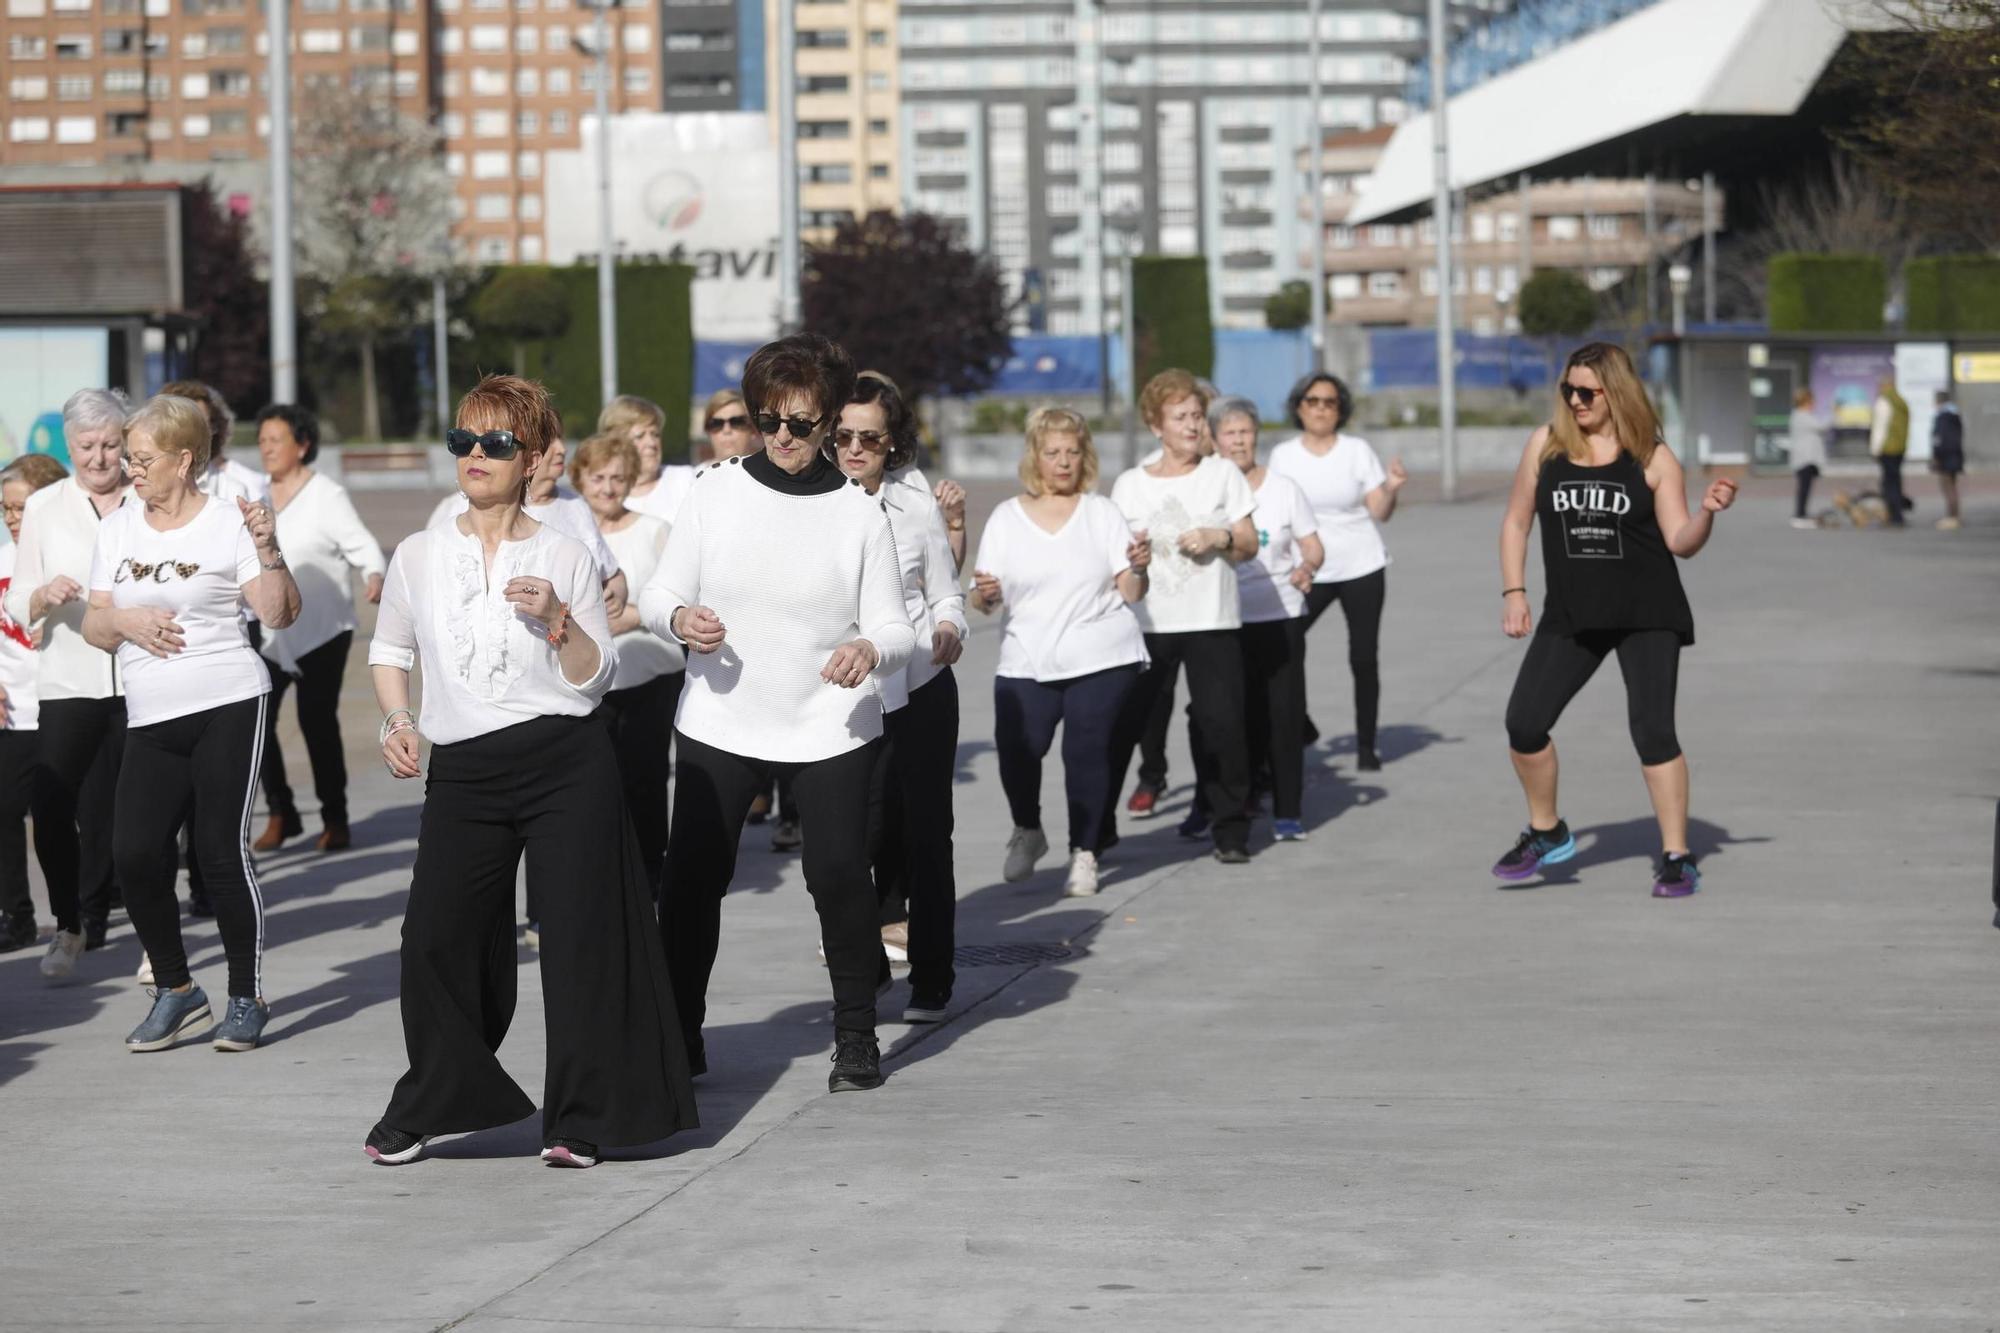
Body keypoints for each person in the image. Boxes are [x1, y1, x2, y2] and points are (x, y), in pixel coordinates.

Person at [365, 374, 694, 1168]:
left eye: (496, 443)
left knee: (582, 944)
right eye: (463, 440)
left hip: (565, 763)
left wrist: (557, 619)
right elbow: (388, 650)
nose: (476, 455)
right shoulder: (416, 554)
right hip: (465, 770)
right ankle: (435, 1099)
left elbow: (595, 677)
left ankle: (580, 1118)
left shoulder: (565, 553)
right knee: (433, 938)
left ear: (537, 456)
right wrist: (399, 718)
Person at [639, 333, 915, 1093]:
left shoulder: (861, 514)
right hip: (720, 716)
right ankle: (678, 1033)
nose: (783, 438)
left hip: (827, 718)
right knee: (694, 878)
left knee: (836, 874)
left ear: (829, 420)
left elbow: (896, 626)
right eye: (768, 421)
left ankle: (856, 1032)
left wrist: (870, 649)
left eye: (800, 423)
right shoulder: (715, 489)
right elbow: (657, 595)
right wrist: (679, 619)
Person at [79, 393, 300, 1051]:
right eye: (127, 455)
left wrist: (268, 549)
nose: (129, 467)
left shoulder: (229, 521)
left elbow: (280, 612)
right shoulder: (117, 528)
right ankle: (177, 989)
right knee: (136, 852)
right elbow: (95, 625)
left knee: (218, 849)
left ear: (183, 459)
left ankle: (244, 996)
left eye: (142, 457)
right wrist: (122, 620)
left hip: (228, 698)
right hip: (151, 714)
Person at [1493, 342, 1737, 898]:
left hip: (1646, 613)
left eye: (1587, 392)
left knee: (1652, 732)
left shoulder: (1651, 456)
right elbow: (1515, 523)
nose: (1575, 401)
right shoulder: (1546, 446)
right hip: (1573, 613)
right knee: (1524, 724)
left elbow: (1681, 542)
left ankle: (1677, 854)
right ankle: (1546, 830)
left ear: (1615, 392)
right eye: (1568, 391)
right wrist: (1514, 592)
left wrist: (1707, 514)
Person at [971, 409, 1152, 896]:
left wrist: (1139, 567)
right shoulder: (1007, 518)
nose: (1064, 462)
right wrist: (984, 593)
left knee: (1085, 751)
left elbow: (1132, 593)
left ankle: (1085, 852)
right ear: (1035, 456)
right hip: (1026, 656)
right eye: (1053, 453)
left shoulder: (1102, 513)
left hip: (1102, 652)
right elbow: (984, 599)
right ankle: (1028, 830)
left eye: (1073, 452)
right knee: (1018, 752)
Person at [831, 373, 967, 1023]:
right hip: (846, 701)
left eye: (870, 439)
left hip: (920, 687)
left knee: (926, 837)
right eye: (842, 437)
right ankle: (869, 962)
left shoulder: (915, 508)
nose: (854, 449)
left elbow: (945, 591)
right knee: (848, 843)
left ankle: (933, 979)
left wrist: (949, 626)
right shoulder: (814, 509)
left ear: (894, 444)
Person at [1106, 370, 1259, 864]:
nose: (1193, 425)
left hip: (1213, 620)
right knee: (1129, 725)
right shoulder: (1129, 485)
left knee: (1223, 724)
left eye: (1197, 416)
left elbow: (1249, 541)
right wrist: (1135, 556)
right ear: (1156, 425)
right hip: (1149, 623)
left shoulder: (1223, 475)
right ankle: (1098, 827)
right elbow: (1112, 556)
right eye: (1181, 417)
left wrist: (1220, 538)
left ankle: (1230, 828)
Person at [4, 388, 133, 977]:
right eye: (87, 447)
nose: (101, 458)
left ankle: (116, 921)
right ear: (68, 444)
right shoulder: (45, 507)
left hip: (137, 676)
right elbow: (19, 601)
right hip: (67, 678)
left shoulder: (144, 497)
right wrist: (42, 593)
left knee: (121, 812)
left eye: (110, 444)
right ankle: (69, 922)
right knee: (51, 805)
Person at [252, 403, 385, 853]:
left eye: (276, 440)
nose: (266, 448)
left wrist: (373, 573)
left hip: (324, 630)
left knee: (316, 722)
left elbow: (360, 541)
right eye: (263, 440)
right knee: (258, 724)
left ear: (302, 445)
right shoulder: (255, 493)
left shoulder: (326, 494)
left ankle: (335, 817)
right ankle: (281, 813)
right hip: (271, 634)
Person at [1268, 373, 1407, 771]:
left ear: (1340, 409)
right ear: (1299, 407)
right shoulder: (1284, 456)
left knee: (1363, 657)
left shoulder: (1356, 450)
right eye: (1312, 401)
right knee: (1284, 647)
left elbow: (1379, 511)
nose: (1320, 409)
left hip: (1360, 564)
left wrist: (1392, 487)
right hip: (1307, 569)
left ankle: (1367, 746)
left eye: (1329, 402)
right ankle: (1303, 725)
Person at [573, 429, 684, 901]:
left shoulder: (655, 530)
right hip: (588, 684)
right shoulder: (565, 531)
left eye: (618, 478)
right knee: (592, 783)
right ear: (579, 479)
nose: (607, 488)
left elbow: (679, 600)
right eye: (597, 477)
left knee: (646, 776)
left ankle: (650, 869)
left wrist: (629, 618)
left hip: (651, 673)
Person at [1210, 396, 1324, 843]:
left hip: (1280, 615)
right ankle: (1228, 802)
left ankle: (1289, 811)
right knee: (1231, 717)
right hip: (1223, 619)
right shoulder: (1208, 487)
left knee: (1284, 714)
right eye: (1230, 433)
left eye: (1245, 432)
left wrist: (1307, 567)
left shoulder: (1283, 488)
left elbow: (1312, 545)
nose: (1239, 441)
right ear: (1214, 440)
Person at [428, 434, 627, 617]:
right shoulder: (452, 509)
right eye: (551, 439)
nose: (562, 449)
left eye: (561, 438)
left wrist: (616, 596)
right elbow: (427, 590)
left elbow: (611, 573)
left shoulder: (575, 506)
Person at [0, 453, 70, 953]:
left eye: (20, 509)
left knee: (59, 816)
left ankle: (81, 911)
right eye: (5, 509)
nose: (11, 519)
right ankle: (17, 917)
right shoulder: (2, 558)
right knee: (5, 812)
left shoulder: (68, 553)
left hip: (62, 701)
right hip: (13, 709)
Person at [160, 379, 271, 506]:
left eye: (204, 423)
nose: (197, 432)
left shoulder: (236, 490)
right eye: (187, 424)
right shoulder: (142, 489)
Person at [602, 395, 695, 525]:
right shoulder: (606, 496)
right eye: (640, 436)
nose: (651, 443)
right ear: (616, 443)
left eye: (655, 434)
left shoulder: (684, 479)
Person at [1869, 377, 1910, 527]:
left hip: (1887, 449)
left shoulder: (1884, 402)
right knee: (1897, 482)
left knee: (1888, 484)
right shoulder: (1900, 401)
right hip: (1899, 448)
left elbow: (1880, 428)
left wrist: (1875, 450)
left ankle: (1892, 516)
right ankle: (1898, 515)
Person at [1788, 387, 1830, 530]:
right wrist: (1834, 414)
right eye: (1812, 401)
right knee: (1804, 489)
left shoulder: (1801, 415)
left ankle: (1802, 513)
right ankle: (1799, 515)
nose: (1814, 404)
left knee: (1805, 488)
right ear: (1806, 401)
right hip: (1805, 459)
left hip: (1806, 458)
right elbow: (1821, 427)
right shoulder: (1802, 416)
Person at [695, 388, 760, 465]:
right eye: (717, 423)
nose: (727, 430)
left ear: (753, 430)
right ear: (707, 430)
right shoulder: (693, 476)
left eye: (737, 422)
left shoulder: (767, 476)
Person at [1931, 390, 1964, 532]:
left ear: (1939, 401)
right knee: (1953, 487)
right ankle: (1954, 516)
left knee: (1948, 487)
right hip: (1955, 455)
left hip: (1946, 457)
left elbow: (1939, 438)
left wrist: (1937, 456)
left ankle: (1952, 517)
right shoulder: (1955, 415)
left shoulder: (1942, 417)